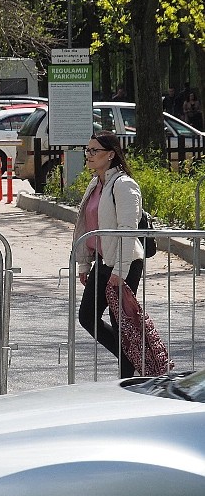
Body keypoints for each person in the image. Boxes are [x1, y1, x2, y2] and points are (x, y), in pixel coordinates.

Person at [73, 130, 145, 378]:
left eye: (95, 151)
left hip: (123, 263)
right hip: (103, 262)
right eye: (88, 150)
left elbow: (128, 230)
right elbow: (85, 225)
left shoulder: (124, 185)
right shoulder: (96, 183)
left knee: (120, 324)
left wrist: (120, 271)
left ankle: (129, 375)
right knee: (87, 317)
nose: (89, 155)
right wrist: (84, 264)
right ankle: (134, 362)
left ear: (111, 154)